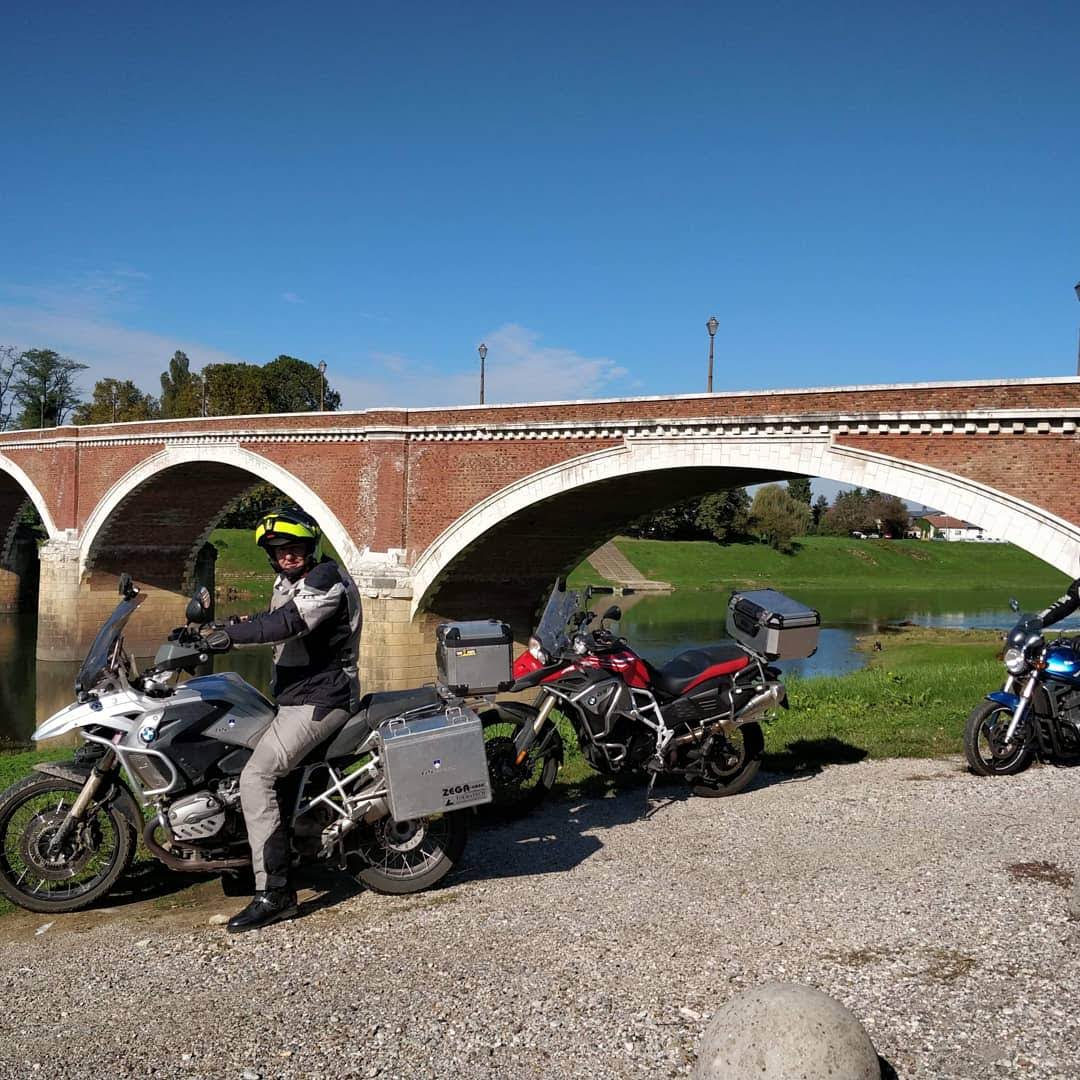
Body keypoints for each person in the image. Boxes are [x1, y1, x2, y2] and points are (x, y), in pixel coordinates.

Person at [205, 507, 362, 933]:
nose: (287, 556)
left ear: (311, 548)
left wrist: (232, 637)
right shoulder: (290, 581)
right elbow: (268, 618)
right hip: (293, 697)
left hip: (321, 700)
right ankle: (260, 849)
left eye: (294, 549)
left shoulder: (326, 580)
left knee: (257, 778)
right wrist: (223, 626)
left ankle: (275, 893)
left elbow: (289, 623)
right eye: (278, 551)